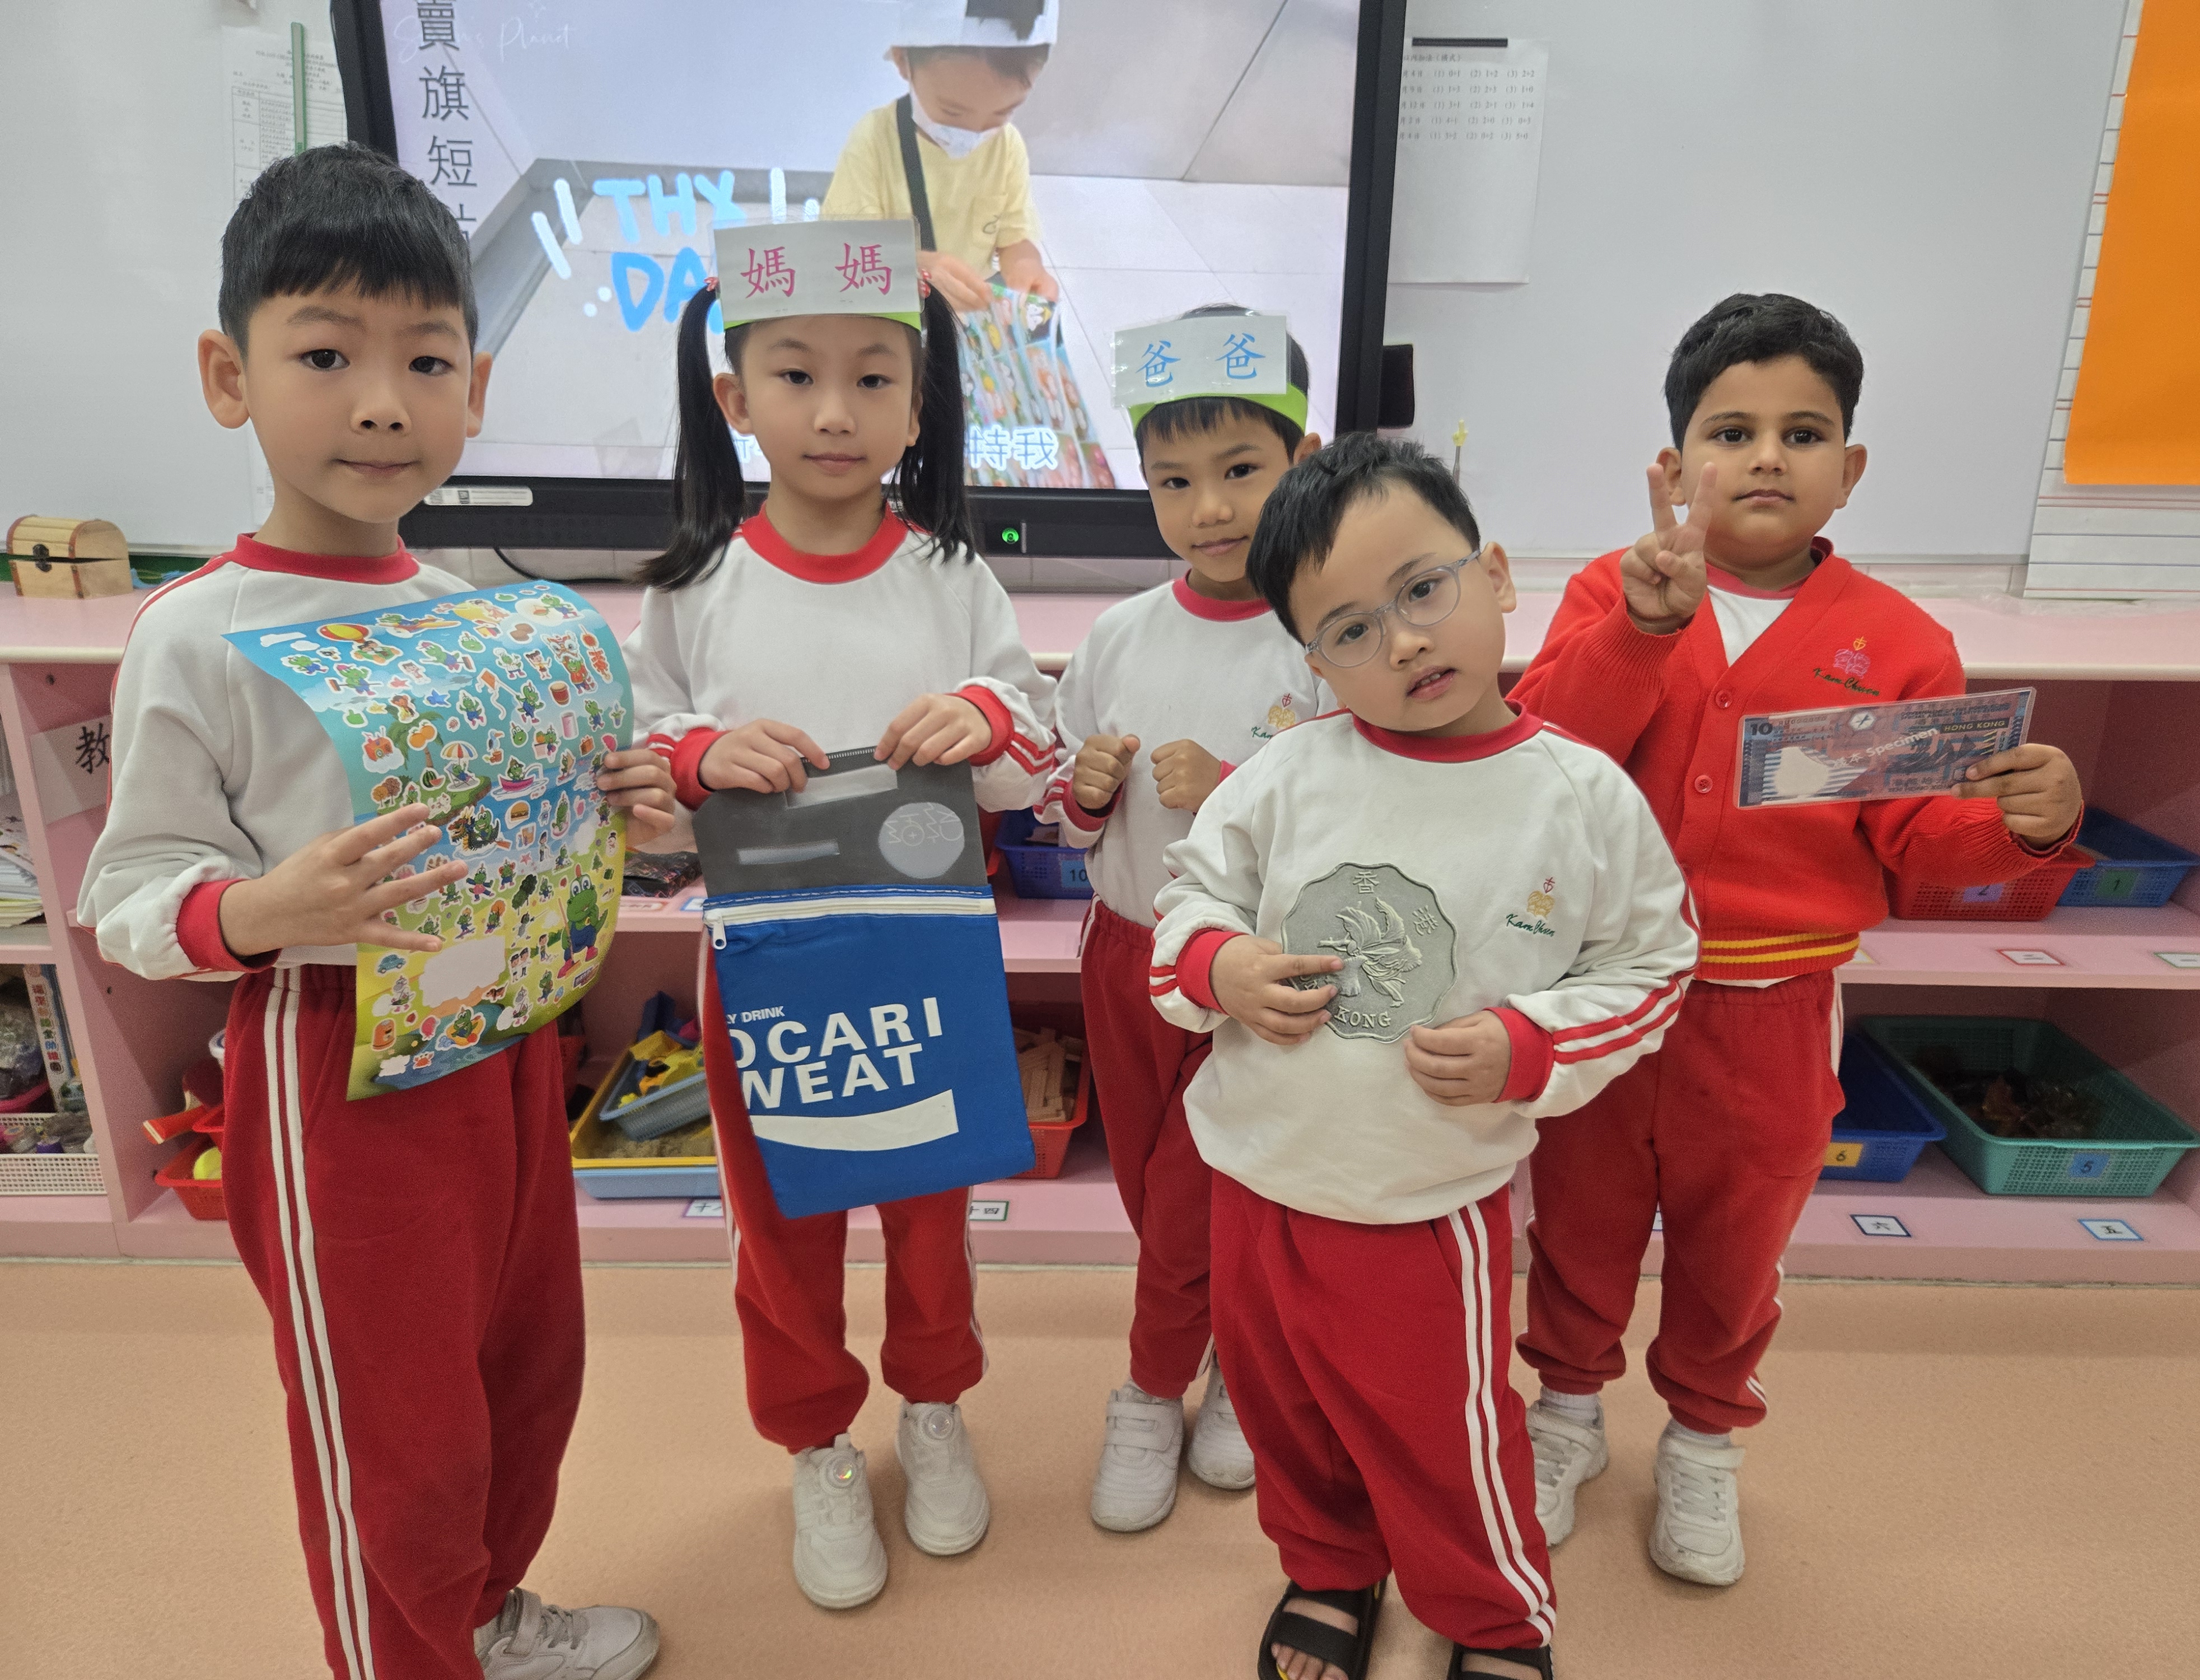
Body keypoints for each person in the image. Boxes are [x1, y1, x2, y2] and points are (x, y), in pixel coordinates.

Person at [77, 144, 674, 1680]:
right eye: (326, 356)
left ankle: (480, 1613)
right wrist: (263, 906)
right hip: (334, 1060)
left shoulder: (480, 614)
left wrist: (617, 809)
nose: (384, 403)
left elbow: (517, 828)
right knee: (389, 1422)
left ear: (476, 390)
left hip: (502, 1036)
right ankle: (404, 1654)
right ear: (230, 376)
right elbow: (129, 895)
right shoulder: (196, 634)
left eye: (426, 361)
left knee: (523, 1367)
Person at [1507, 293, 2085, 1588]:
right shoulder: (1613, 588)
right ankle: (1564, 1414)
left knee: (1736, 1245)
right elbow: (1542, 756)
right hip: (1600, 994)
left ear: (1848, 467)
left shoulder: (1898, 643)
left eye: (1801, 433)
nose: (1766, 456)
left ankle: (1703, 1440)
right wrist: (1639, 629)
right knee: (1580, 1222)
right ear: (1674, 466)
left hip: (1770, 1010)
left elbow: (1921, 842)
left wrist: (2024, 825)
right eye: (1731, 432)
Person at [1151, 434, 1700, 1680]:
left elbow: (1655, 967)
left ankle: (1494, 1615)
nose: (1400, 642)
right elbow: (1187, 903)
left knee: (1442, 1431)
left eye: (1421, 590)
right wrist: (1218, 967)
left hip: (1422, 1200)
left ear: (1494, 575)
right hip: (1255, 1176)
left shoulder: (1578, 794)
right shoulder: (1285, 774)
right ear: (1312, 661)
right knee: (1284, 1409)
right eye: (1350, 630)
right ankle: (1327, 1568)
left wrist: (1529, 1041)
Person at [623, 217, 1058, 1611]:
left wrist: (983, 712)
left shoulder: (951, 575)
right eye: (795, 375)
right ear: (733, 397)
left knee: (933, 1214)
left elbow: (1030, 757)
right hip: (764, 966)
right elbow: (638, 767)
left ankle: (932, 1406)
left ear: (917, 407)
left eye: (874, 378)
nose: (833, 411)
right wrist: (698, 755)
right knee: (782, 1228)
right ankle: (815, 1439)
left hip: (928, 955)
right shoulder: (695, 587)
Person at [1033, 306, 1326, 1532]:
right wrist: (1086, 792)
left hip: (1254, 968)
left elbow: (1367, 817)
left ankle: (1157, 1389)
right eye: (1173, 481)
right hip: (1125, 953)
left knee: (1207, 1186)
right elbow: (1061, 817)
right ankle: (1228, 1362)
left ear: (1303, 460)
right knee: (1156, 1190)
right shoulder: (1116, 635)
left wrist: (1242, 787)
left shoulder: (1327, 634)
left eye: (1240, 470)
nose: (1208, 507)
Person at [822, 0, 1060, 316]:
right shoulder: (874, 141)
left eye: (1002, 113)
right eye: (953, 112)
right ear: (903, 61)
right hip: (893, 310)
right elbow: (843, 252)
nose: (975, 132)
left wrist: (1026, 266)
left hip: (968, 316)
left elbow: (1015, 237)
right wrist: (911, 266)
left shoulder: (1006, 145)